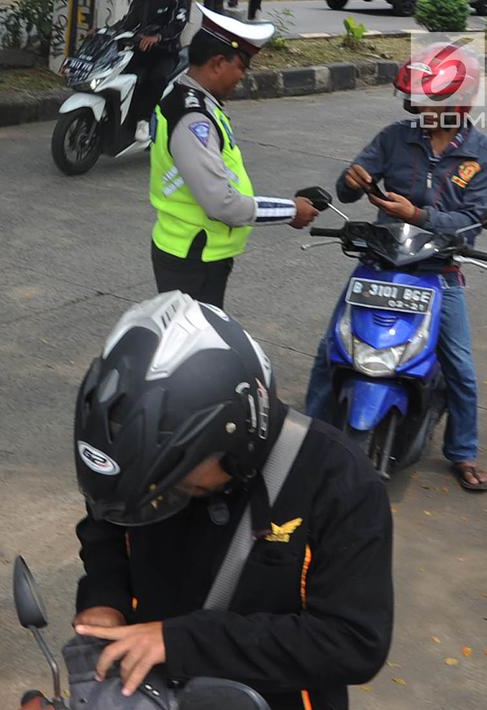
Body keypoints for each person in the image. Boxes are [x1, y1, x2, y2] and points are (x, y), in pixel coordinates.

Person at [72, 291, 393, 710]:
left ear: (236, 438)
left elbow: (353, 642)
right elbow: (107, 524)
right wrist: (104, 599)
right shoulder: (146, 466)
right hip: (154, 694)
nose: (162, 497)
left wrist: (179, 641)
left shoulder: (337, 480)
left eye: (179, 482)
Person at [305, 42, 487, 490]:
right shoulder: (393, 137)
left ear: (459, 104)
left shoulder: (480, 153)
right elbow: (349, 187)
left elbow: (473, 219)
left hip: (439, 271)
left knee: (460, 365)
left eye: (433, 103)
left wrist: (418, 216)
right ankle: (307, 437)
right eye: (419, 103)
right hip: (381, 261)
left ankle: (463, 451)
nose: (423, 112)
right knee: (333, 349)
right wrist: (349, 180)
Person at [149, 5, 319, 308]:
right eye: (242, 66)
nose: (242, 76)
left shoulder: (187, 94)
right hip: (194, 258)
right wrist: (290, 211)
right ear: (217, 63)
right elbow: (221, 203)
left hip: (195, 251)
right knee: (195, 348)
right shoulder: (194, 118)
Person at [119, 0, 191, 143]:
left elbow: (178, 24)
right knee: (126, 76)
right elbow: (129, 22)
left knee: (156, 78)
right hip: (141, 50)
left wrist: (158, 37)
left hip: (166, 52)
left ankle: (144, 121)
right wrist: (103, 31)